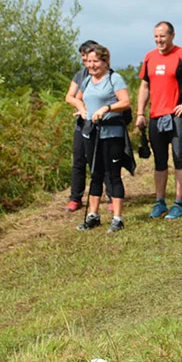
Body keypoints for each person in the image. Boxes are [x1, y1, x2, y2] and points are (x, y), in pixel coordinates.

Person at [136, 21, 182, 220]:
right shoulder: (149, 57)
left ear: (172, 36)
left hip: (177, 116)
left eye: (162, 36)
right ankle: (160, 203)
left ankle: (178, 204)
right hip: (155, 116)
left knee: (179, 159)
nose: (159, 40)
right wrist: (140, 113)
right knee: (159, 162)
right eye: (156, 36)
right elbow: (144, 86)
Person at [73, 44, 131, 232]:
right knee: (95, 173)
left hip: (112, 133)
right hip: (91, 132)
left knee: (113, 174)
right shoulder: (87, 81)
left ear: (105, 61)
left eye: (95, 61)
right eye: (89, 62)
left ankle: (117, 218)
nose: (91, 65)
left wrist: (107, 108)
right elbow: (77, 98)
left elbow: (125, 102)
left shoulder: (114, 79)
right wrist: (82, 110)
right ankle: (93, 215)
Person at [63, 40, 98, 212]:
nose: (86, 60)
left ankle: (111, 197)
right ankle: (75, 198)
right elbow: (69, 96)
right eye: (83, 57)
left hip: (102, 124)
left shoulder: (108, 74)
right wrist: (81, 107)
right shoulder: (80, 74)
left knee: (102, 162)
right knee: (78, 161)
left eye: (88, 56)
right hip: (82, 125)